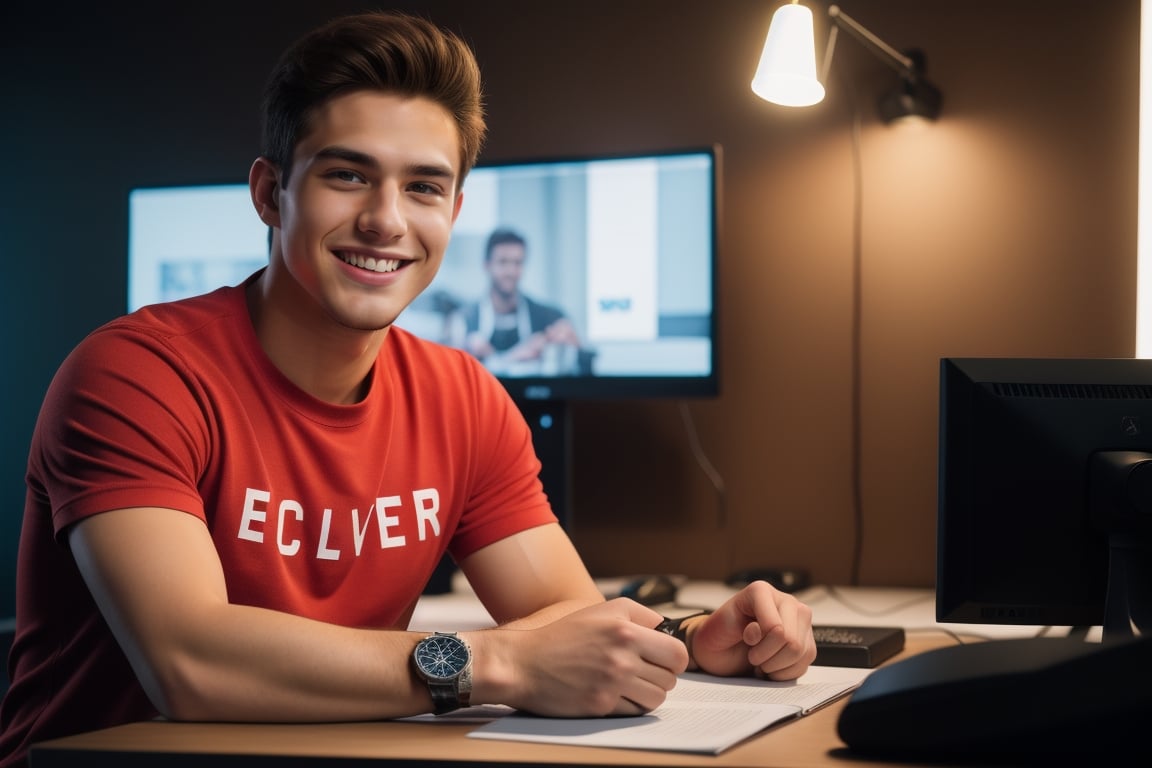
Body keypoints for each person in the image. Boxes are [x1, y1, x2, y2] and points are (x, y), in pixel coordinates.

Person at [0, 11, 815, 767]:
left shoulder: (463, 398)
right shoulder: (136, 374)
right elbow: (189, 663)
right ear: (268, 193)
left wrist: (692, 637)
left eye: (423, 187)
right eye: (348, 176)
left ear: (453, 212)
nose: (387, 220)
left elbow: (566, 620)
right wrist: (495, 661)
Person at [461, 228, 588, 375]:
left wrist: (577, 349)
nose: (511, 271)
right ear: (487, 265)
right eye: (503, 262)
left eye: (518, 263)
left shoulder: (550, 317)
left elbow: (585, 370)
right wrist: (514, 356)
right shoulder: (465, 320)